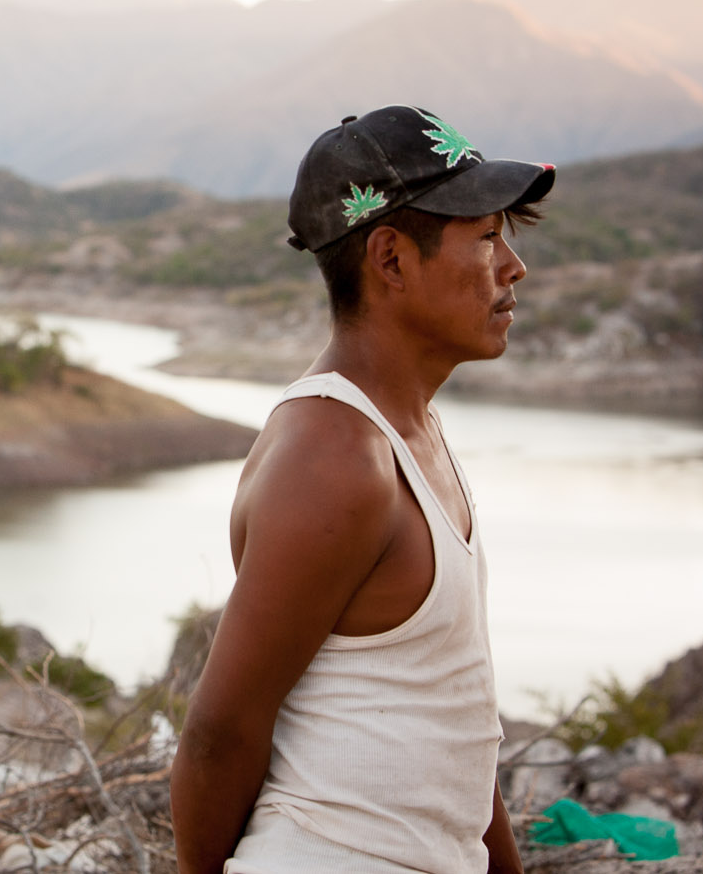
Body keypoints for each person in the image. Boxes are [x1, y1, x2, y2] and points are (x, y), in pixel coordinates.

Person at [170, 105, 555, 874]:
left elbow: (450, 716)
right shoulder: (334, 458)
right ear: (390, 259)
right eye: (485, 237)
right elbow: (220, 732)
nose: (514, 265)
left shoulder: (409, 429)